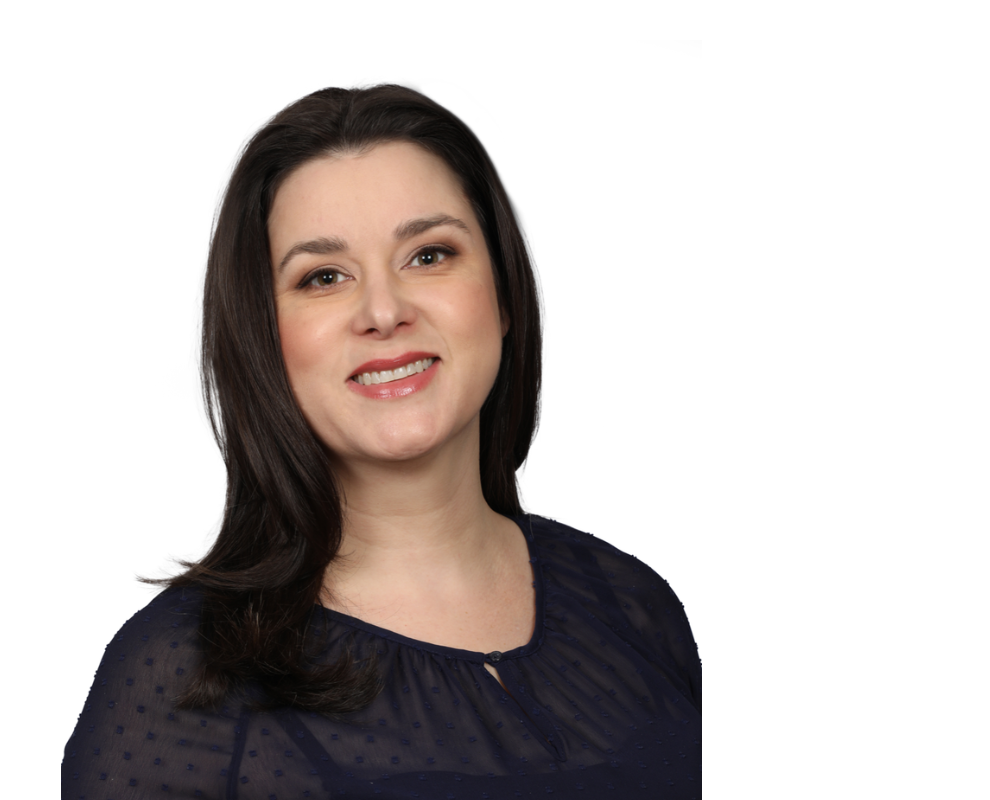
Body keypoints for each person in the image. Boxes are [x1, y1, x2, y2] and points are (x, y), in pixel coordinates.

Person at [62, 84, 702, 799]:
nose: (384, 311)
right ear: (261, 338)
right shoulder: (181, 677)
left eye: (429, 255)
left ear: (505, 296)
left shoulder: (635, 605)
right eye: (323, 277)